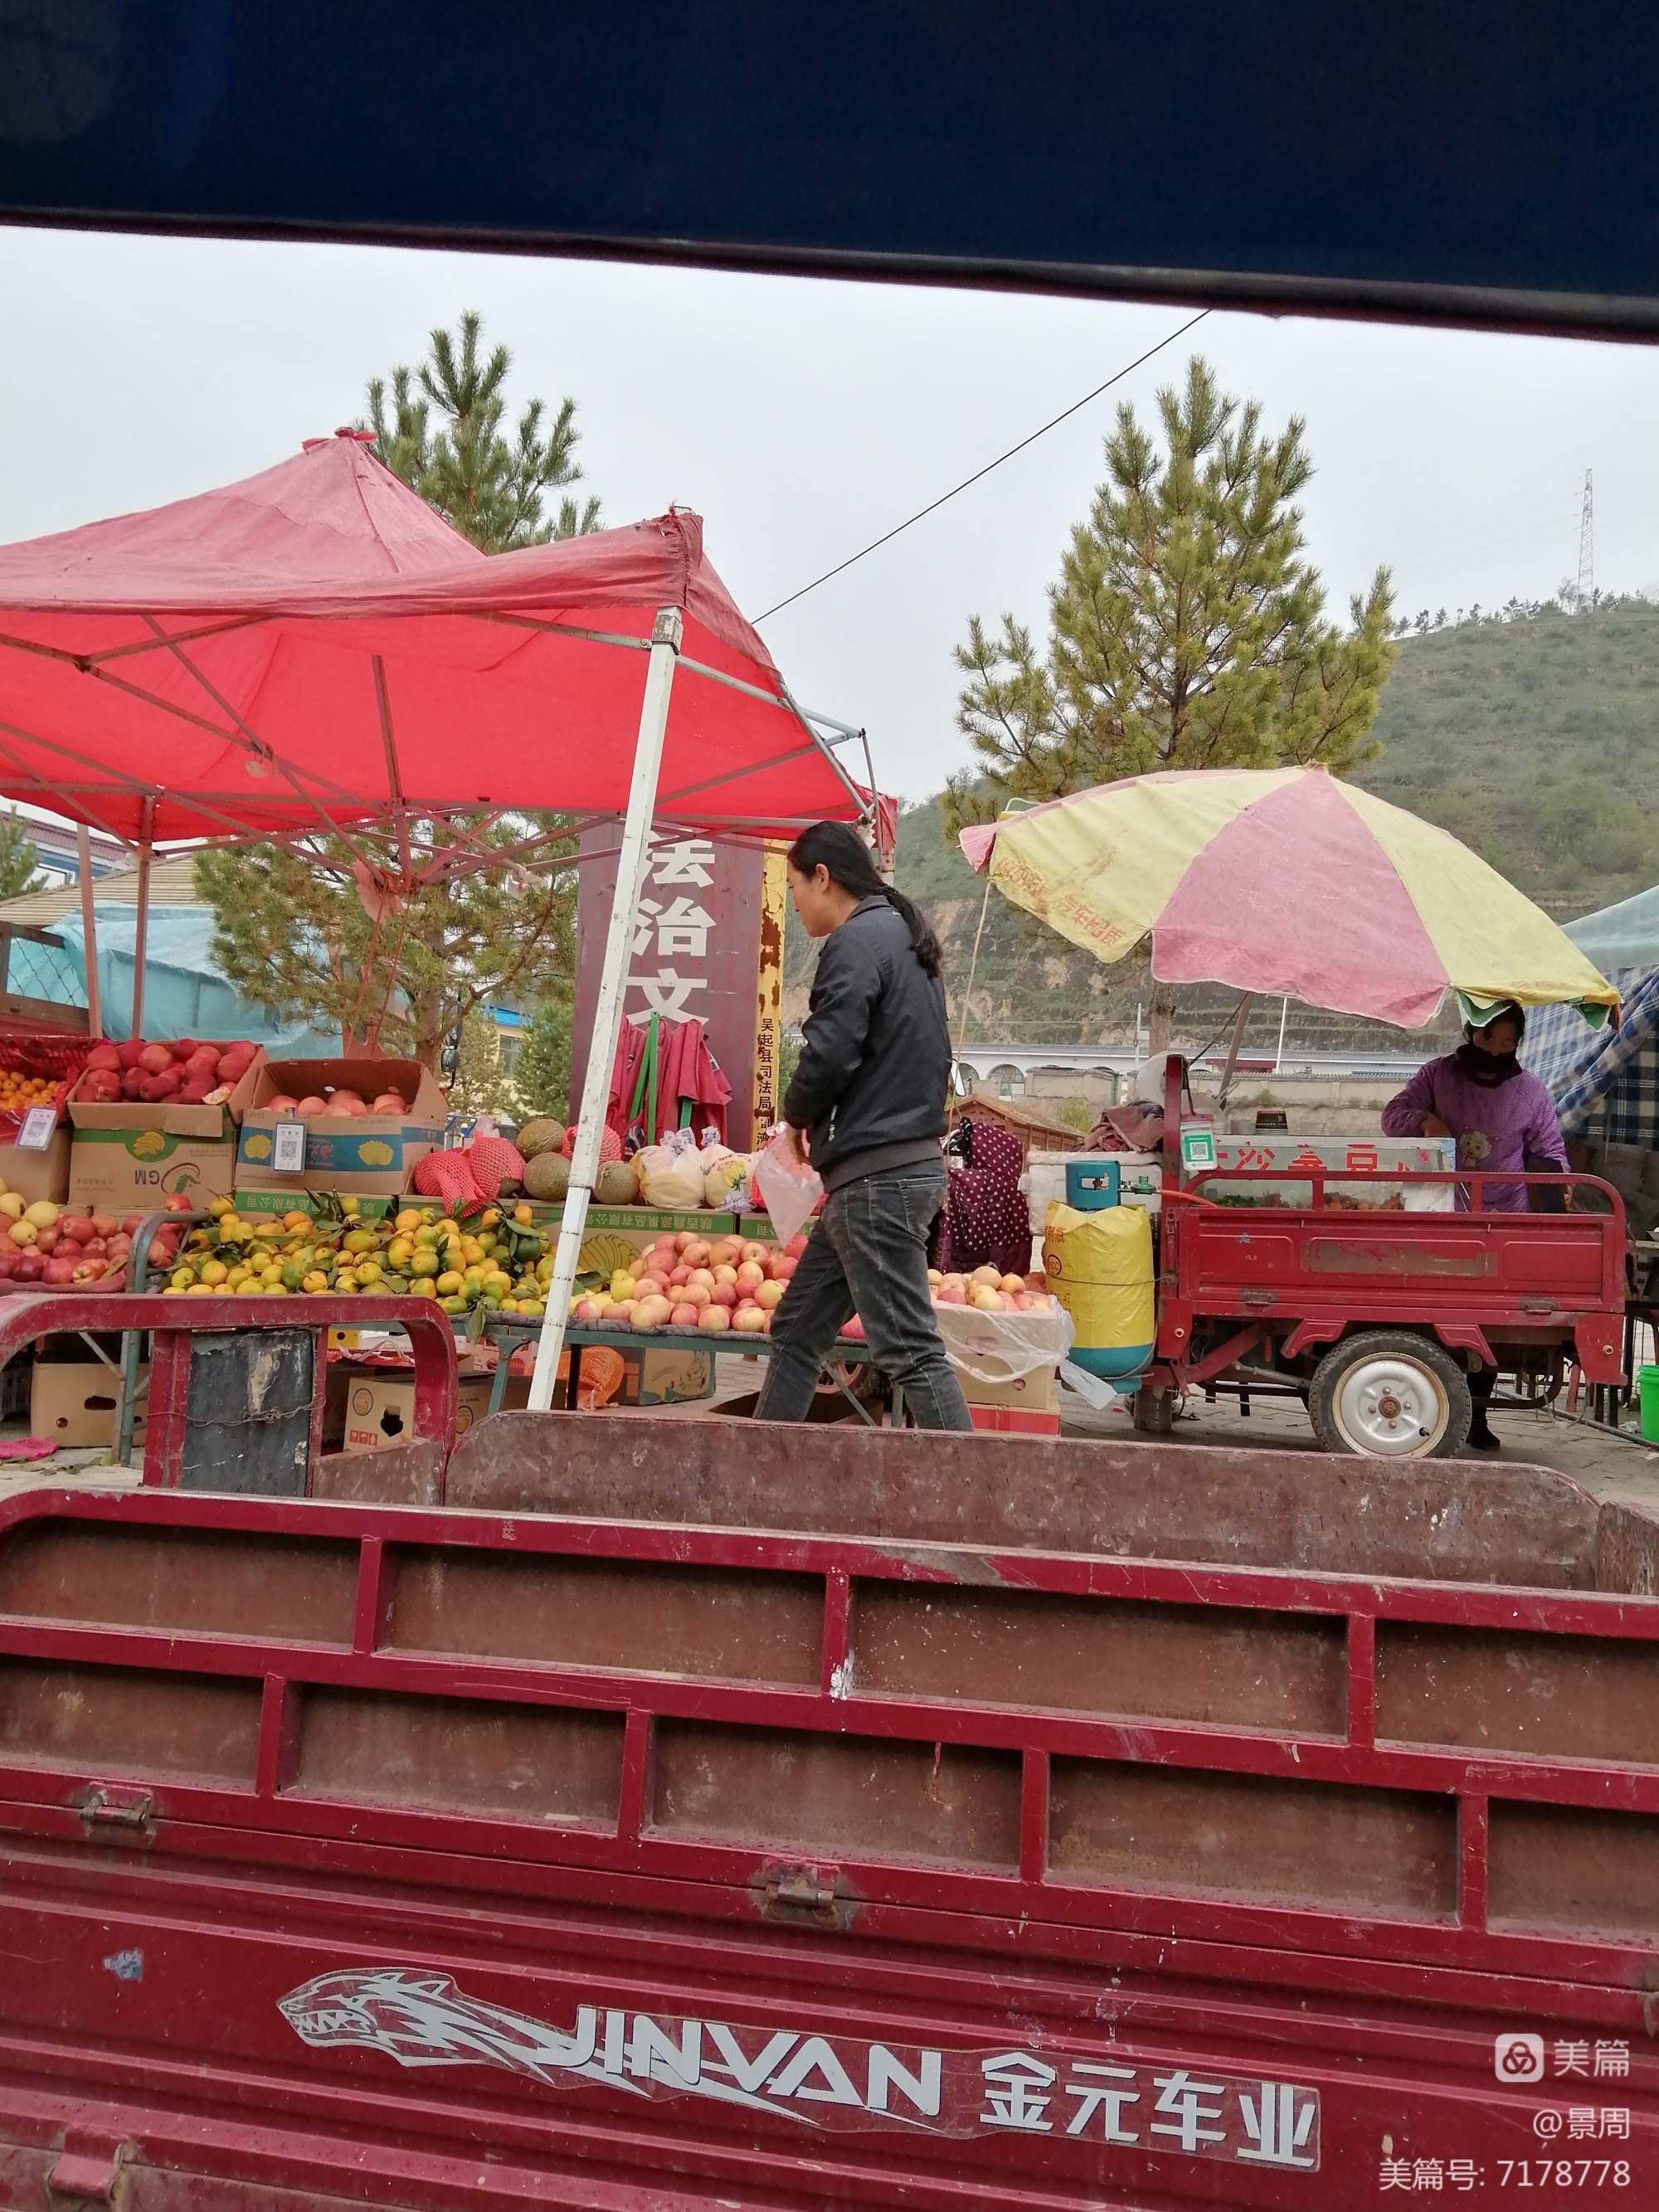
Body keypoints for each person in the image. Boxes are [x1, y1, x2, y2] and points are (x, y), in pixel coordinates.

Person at [756, 822, 972, 1430]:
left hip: (879, 1179)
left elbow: (830, 1050)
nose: (794, 902)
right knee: (797, 1327)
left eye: (796, 886)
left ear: (823, 877)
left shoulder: (856, 942)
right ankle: (761, 1475)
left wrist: (796, 1117)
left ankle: (978, 1498)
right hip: (888, 1173)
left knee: (910, 1350)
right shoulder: (901, 934)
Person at [1381, 1001, 1567, 1450]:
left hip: (1505, 1220)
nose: (1498, 1050)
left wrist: (1557, 1191)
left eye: (1509, 1043)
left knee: (1488, 1322)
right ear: (1472, 1034)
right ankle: (1440, 1410)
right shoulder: (1437, 1076)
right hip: (1443, 1215)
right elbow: (1392, 1117)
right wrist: (1425, 1120)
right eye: (1490, 1039)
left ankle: (1477, 1416)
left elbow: (1549, 1150)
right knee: (1442, 1317)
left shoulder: (1531, 1093)